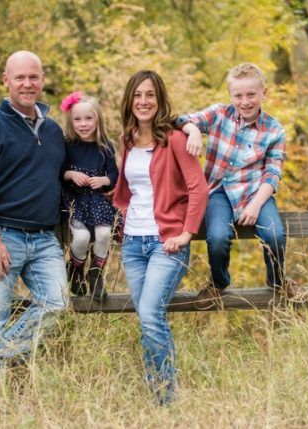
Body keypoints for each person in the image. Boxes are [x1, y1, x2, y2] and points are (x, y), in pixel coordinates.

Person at [0, 51, 68, 373]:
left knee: (58, 304)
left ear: (42, 80)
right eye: (19, 77)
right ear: (6, 80)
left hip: (45, 239)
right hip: (2, 236)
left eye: (33, 77)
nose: (27, 83)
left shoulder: (52, 131)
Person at [113, 70, 208, 405]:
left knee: (151, 314)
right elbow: (130, 190)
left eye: (150, 95)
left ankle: (166, 400)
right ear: (129, 100)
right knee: (147, 318)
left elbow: (199, 188)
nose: (143, 101)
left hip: (166, 242)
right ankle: (158, 393)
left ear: (159, 99)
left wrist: (186, 234)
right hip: (133, 244)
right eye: (138, 95)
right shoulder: (126, 140)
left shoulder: (177, 140)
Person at [177, 62, 296, 309]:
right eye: (238, 95)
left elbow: (273, 173)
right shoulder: (219, 115)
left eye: (251, 94)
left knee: (274, 235)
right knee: (218, 237)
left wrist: (255, 205)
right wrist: (194, 131)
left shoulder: (274, 130)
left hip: (256, 192)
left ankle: (277, 282)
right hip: (218, 191)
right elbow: (178, 119)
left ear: (264, 93)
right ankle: (219, 283)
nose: (245, 101)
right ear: (231, 96)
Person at [59, 92, 119, 301]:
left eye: (88, 118)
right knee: (82, 237)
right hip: (75, 200)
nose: (83, 124)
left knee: (103, 235)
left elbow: (114, 174)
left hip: (97, 201)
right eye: (77, 119)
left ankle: (95, 275)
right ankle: (76, 269)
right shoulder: (67, 145)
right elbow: (58, 172)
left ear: (97, 119)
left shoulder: (105, 146)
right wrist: (71, 174)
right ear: (71, 121)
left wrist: (104, 181)